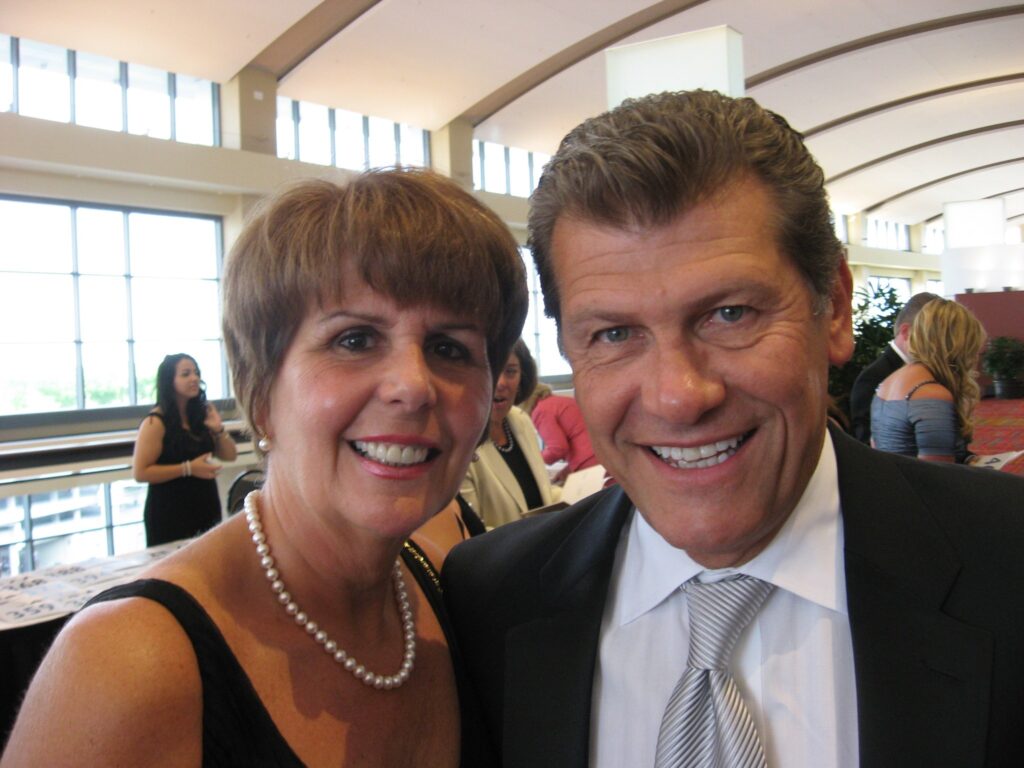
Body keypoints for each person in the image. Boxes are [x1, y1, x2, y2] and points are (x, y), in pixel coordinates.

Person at [441, 90, 1024, 767]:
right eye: (616, 333)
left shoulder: (1008, 564)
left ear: (833, 306)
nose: (679, 396)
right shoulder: (492, 601)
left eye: (730, 314)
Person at [2, 169, 527, 766]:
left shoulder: (450, 594)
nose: (413, 386)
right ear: (259, 391)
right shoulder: (128, 663)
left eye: (450, 348)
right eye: (354, 340)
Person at [132, 353, 238, 546]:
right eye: (185, 374)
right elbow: (140, 472)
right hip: (170, 511)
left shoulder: (200, 415)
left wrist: (218, 429)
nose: (194, 378)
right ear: (169, 381)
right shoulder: (154, 422)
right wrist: (188, 468)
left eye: (196, 373)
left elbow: (230, 455)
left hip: (205, 504)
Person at [871, 298, 985, 464]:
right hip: (914, 487)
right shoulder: (931, 394)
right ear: (960, 347)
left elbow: (876, 446)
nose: (975, 357)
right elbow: (938, 478)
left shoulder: (887, 382)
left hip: (891, 483)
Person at [460, 339, 558, 528]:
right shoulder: (461, 440)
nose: (501, 382)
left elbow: (539, 495)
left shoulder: (520, 420)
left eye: (511, 371)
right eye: (491, 370)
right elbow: (470, 532)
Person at [849, 291, 939, 443]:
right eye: (933, 336)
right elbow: (865, 442)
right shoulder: (873, 378)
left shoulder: (926, 368)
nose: (940, 346)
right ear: (907, 332)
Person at [530, 391, 598, 477]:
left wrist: (531, 460)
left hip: (590, 464)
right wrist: (568, 470)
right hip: (601, 455)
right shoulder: (563, 401)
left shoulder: (541, 410)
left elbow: (557, 449)